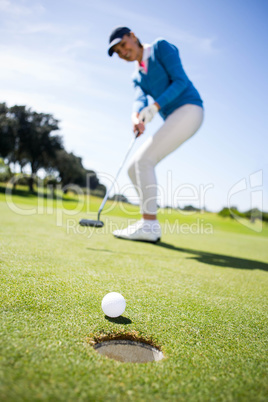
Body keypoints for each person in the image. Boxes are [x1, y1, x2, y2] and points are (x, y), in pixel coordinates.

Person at [108, 27, 204, 243]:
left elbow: (180, 81)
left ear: (133, 37)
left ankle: (149, 225)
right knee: (133, 168)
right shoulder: (137, 75)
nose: (122, 52)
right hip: (174, 116)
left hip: (190, 109)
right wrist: (136, 117)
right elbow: (139, 99)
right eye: (117, 51)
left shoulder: (160, 48)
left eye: (123, 45)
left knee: (144, 161)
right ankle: (148, 224)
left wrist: (155, 107)